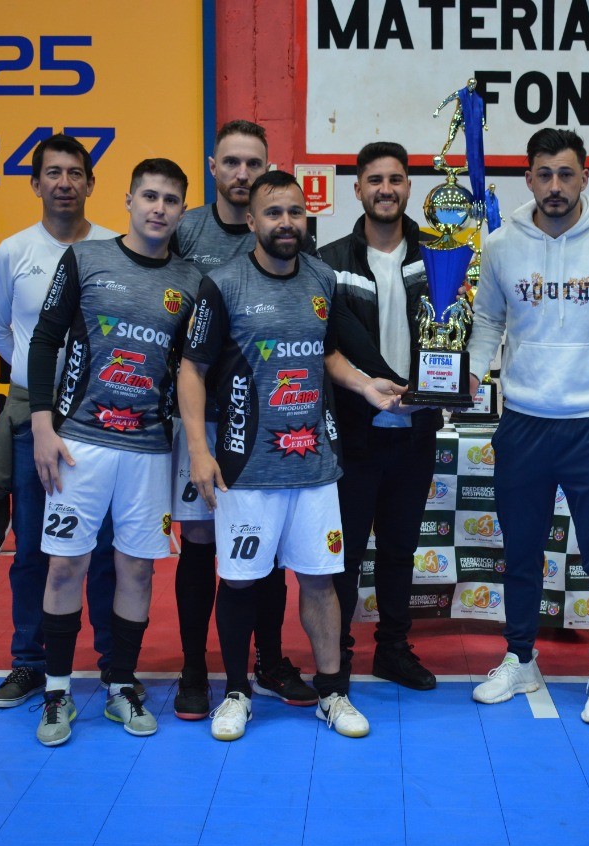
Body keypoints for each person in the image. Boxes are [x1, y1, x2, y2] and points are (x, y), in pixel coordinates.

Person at [179, 169, 403, 741]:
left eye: (295, 213)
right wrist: (200, 454)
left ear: (307, 219)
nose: (286, 223)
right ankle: (235, 692)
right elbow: (192, 369)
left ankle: (334, 693)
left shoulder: (322, 279)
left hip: (315, 468)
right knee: (239, 582)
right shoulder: (224, 283)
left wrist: (366, 385)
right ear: (251, 221)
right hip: (245, 470)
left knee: (322, 582)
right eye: (274, 213)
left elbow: (326, 354)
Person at [465, 128, 589, 726]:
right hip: (522, 421)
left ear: (586, 177)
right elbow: (489, 320)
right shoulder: (500, 244)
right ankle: (520, 657)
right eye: (544, 174)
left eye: (567, 174)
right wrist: (470, 373)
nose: (555, 187)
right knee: (520, 551)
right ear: (528, 178)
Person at [26, 158, 201, 746]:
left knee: (136, 568)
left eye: (171, 200)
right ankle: (55, 691)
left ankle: (121, 684)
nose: (158, 208)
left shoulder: (191, 283)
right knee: (66, 565)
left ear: (181, 210)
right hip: (79, 445)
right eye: (149, 196)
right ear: (127, 199)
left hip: (150, 450)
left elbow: (192, 371)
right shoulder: (86, 258)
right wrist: (43, 424)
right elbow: (45, 338)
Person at [169, 120, 317, 719]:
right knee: (202, 543)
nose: (241, 174)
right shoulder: (185, 230)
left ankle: (271, 659)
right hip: (202, 417)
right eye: (230, 162)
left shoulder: (287, 231)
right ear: (212, 167)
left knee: (272, 545)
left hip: (272, 418)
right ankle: (193, 668)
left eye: (252, 163)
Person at [0, 134, 126, 709]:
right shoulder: (13, 252)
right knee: (36, 546)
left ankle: (116, 663)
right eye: (53, 173)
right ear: (35, 183)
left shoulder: (117, 246)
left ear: (91, 184)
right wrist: (45, 390)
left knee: (106, 549)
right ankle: (30, 660)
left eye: (75, 173)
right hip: (32, 415)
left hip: (103, 415)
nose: (64, 183)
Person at [317, 142, 439, 691]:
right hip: (353, 432)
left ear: (409, 186)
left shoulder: (443, 255)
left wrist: (437, 389)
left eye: (395, 178)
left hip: (416, 428)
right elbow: (323, 344)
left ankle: (392, 647)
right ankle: (337, 653)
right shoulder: (329, 262)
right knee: (344, 552)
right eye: (374, 180)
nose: (385, 189)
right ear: (358, 189)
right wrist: (372, 389)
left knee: (399, 547)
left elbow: (457, 336)